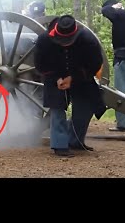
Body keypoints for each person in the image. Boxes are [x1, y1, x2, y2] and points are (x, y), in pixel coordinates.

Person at [34, 14, 106, 157]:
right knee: (57, 108)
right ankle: (59, 145)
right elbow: (40, 64)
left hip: (81, 77)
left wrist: (73, 78)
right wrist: (57, 79)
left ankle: (75, 140)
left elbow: (95, 64)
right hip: (55, 77)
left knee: (85, 107)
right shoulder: (44, 40)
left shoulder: (88, 40)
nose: (65, 43)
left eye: (69, 40)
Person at [101, 0, 125, 132]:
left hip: (123, 56)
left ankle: (123, 124)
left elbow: (105, 11)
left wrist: (114, 7)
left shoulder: (120, 15)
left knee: (121, 91)